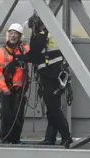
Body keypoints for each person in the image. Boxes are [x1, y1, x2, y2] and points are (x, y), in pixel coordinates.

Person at [25, 14, 73, 148]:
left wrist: (20, 58)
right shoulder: (52, 34)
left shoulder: (41, 36)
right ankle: (50, 137)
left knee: (53, 108)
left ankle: (66, 136)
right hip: (56, 76)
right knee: (52, 109)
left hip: (51, 77)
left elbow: (33, 55)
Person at [0, 23, 30, 144]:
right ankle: (5, 138)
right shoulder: (1, 52)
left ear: (20, 36)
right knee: (7, 114)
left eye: (16, 34)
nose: (13, 36)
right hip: (7, 89)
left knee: (18, 115)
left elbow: (34, 53)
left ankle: (16, 138)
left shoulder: (24, 50)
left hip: (20, 89)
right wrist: (4, 88)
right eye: (11, 33)